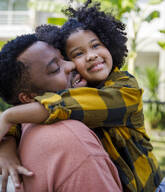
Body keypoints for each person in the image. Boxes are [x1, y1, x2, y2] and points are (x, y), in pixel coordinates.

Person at [0, 0, 163, 191]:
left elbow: (67, 105)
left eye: (96, 45)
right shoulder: (70, 92)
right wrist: (6, 148)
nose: (92, 55)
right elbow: (22, 118)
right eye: (77, 54)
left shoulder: (126, 89)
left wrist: (9, 116)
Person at [0, 33, 122, 192]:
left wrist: (8, 121)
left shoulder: (25, 125)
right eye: (55, 69)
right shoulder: (73, 141)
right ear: (28, 97)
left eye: (62, 57)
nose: (71, 65)